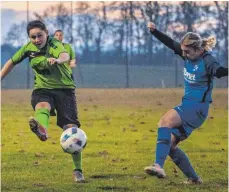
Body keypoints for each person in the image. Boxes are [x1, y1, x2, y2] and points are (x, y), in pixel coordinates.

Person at [0, 20, 85, 183]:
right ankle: (42, 130)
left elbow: (64, 55)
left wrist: (58, 60)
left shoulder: (54, 44)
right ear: (29, 38)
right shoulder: (28, 48)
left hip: (65, 90)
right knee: (42, 106)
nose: (37, 40)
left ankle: (78, 171)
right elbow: (11, 62)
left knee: (71, 130)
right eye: (33, 37)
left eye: (40, 35)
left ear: (47, 33)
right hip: (43, 89)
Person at [144, 22, 228, 184]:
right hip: (191, 108)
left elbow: (219, 72)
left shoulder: (207, 60)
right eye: (183, 51)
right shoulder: (187, 53)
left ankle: (158, 165)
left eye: (188, 52)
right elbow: (170, 43)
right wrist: (155, 31)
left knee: (164, 122)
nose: (184, 54)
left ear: (199, 49)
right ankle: (194, 179)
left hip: (196, 108)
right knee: (170, 146)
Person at [49, 29, 76, 116]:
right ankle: (51, 108)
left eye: (60, 35)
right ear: (54, 37)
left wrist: (72, 63)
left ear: (63, 37)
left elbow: (73, 58)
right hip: (55, 75)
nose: (58, 37)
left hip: (67, 74)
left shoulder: (68, 47)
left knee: (68, 94)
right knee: (51, 91)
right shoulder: (50, 47)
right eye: (56, 35)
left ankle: (67, 111)